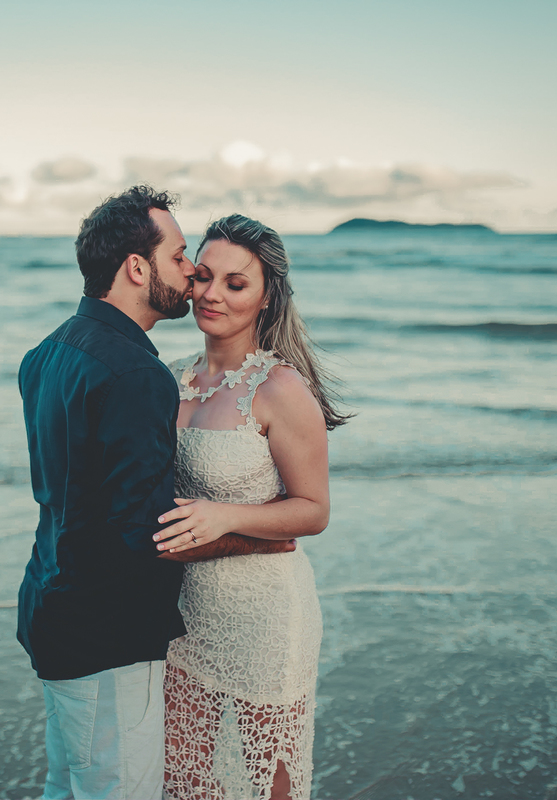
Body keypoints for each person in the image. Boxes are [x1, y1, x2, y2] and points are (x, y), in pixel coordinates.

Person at [17, 187, 296, 800]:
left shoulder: (46, 353)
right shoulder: (138, 373)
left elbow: (71, 494)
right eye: (178, 257)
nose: (192, 274)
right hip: (106, 631)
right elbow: (142, 535)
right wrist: (256, 541)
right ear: (137, 268)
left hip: (48, 608)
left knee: (65, 785)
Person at [151, 214, 351, 800]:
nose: (212, 294)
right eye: (204, 276)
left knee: (269, 782)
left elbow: (313, 510)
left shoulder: (280, 388)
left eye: (235, 284)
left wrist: (228, 515)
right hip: (184, 615)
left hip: (267, 616)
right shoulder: (170, 380)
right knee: (186, 781)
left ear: (267, 298)